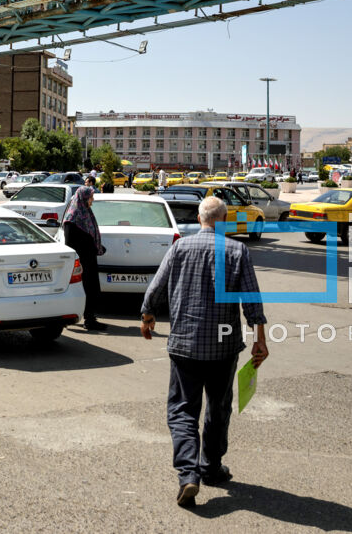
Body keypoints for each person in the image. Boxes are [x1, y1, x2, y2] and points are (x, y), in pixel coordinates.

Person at [140, 195, 268, 507]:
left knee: (183, 409)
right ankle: (210, 466)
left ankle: (188, 475)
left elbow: (156, 287)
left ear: (200, 219)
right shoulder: (237, 250)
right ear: (223, 221)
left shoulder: (180, 247)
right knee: (218, 406)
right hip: (223, 348)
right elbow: (252, 300)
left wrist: (147, 315)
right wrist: (260, 339)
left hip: (184, 343)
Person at [61, 185, 107, 332]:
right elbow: (70, 244)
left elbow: (89, 235)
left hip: (89, 259)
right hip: (81, 263)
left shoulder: (85, 213)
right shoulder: (72, 218)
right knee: (84, 289)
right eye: (91, 197)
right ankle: (88, 320)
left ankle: (90, 318)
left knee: (91, 289)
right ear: (83, 198)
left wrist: (96, 246)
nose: (92, 200)